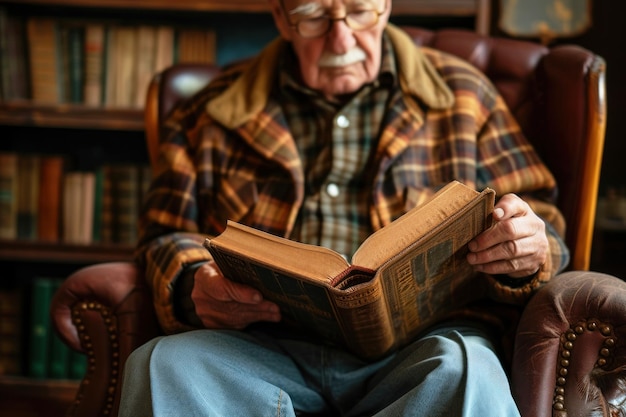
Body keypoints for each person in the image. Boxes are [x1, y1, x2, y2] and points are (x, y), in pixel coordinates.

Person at [119, 0, 570, 415]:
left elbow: (542, 218)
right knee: (162, 365)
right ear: (281, 17)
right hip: (258, 347)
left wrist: (529, 245)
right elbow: (164, 234)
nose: (342, 39)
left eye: (359, 10)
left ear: (386, 6)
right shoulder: (209, 111)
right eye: (314, 15)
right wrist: (192, 282)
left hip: (424, 348)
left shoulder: (466, 95)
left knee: (467, 369)